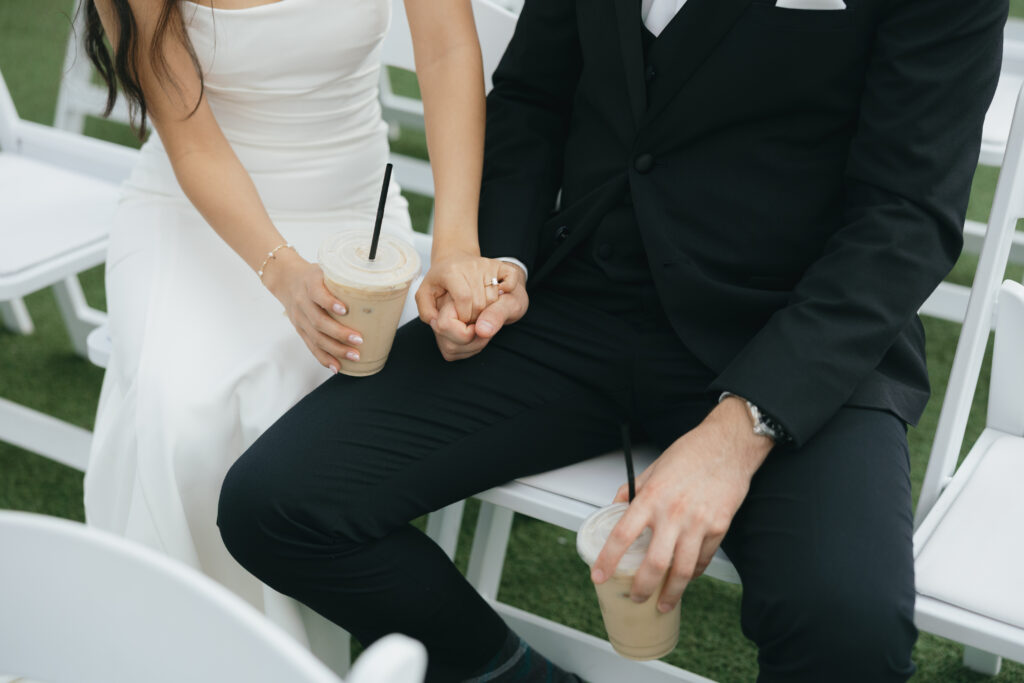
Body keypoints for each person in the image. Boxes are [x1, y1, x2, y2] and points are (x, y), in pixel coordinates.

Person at [217, 0, 1006, 680]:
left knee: (851, 631)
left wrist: (742, 428)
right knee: (277, 502)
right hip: (575, 300)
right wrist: (503, 261)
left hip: (794, 334)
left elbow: (906, 216)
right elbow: (532, 97)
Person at [81, 0, 518, 649]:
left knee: (302, 422)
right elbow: (191, 139)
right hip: (194, 209)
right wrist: (283, 272)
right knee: (181, 416)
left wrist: (454, 245)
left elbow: (448, 52)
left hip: (349, 207)